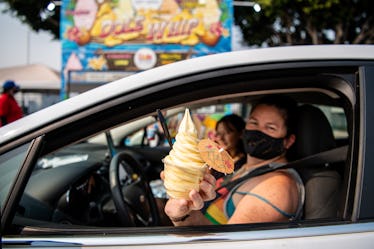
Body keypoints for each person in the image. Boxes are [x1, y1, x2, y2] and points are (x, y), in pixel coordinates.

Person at [163, 95, 305, 225]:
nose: (258, 131)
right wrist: (180, 214)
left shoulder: (277, 186)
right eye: (254, 123)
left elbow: (226, 244)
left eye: (270, 128)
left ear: (288, 141)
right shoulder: (245, 168)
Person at [211, 114, 246, 179]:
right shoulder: (216, 159)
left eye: (227, 132)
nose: (221, 138)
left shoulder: (246, 163)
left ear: (240, 133)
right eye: (218, 133)